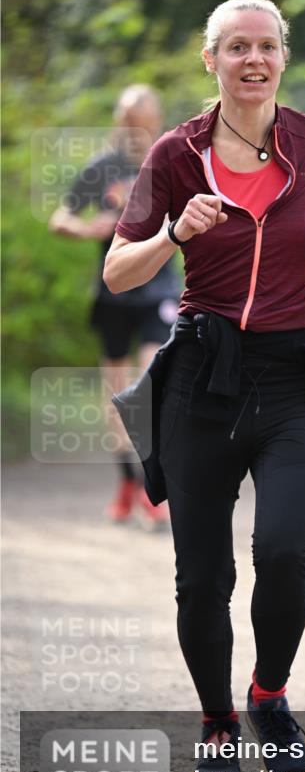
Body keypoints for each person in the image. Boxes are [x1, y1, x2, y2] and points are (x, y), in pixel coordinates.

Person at [103, 0, 305, 772]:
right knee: (203, 577)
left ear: (283, 58)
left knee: (286, 550)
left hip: (295, 371)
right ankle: (218, 719)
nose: (253, 59)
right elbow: (117, 268)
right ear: (211, 60)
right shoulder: (174, 154)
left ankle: (269, 696)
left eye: (266, 46)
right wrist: (173, 233)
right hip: (203, 377)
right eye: (236, 47)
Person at [49, 86, 180, 528]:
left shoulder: (170, 160)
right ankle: (128, 479)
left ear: (155, 118)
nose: (133, 128)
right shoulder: (102, 168)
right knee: (117, 391)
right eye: (127, 119)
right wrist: (89, 230)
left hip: (158, 289)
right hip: (114, 291)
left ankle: (150, 486)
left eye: (141, 119)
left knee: (149, 385)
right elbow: (61, 218)